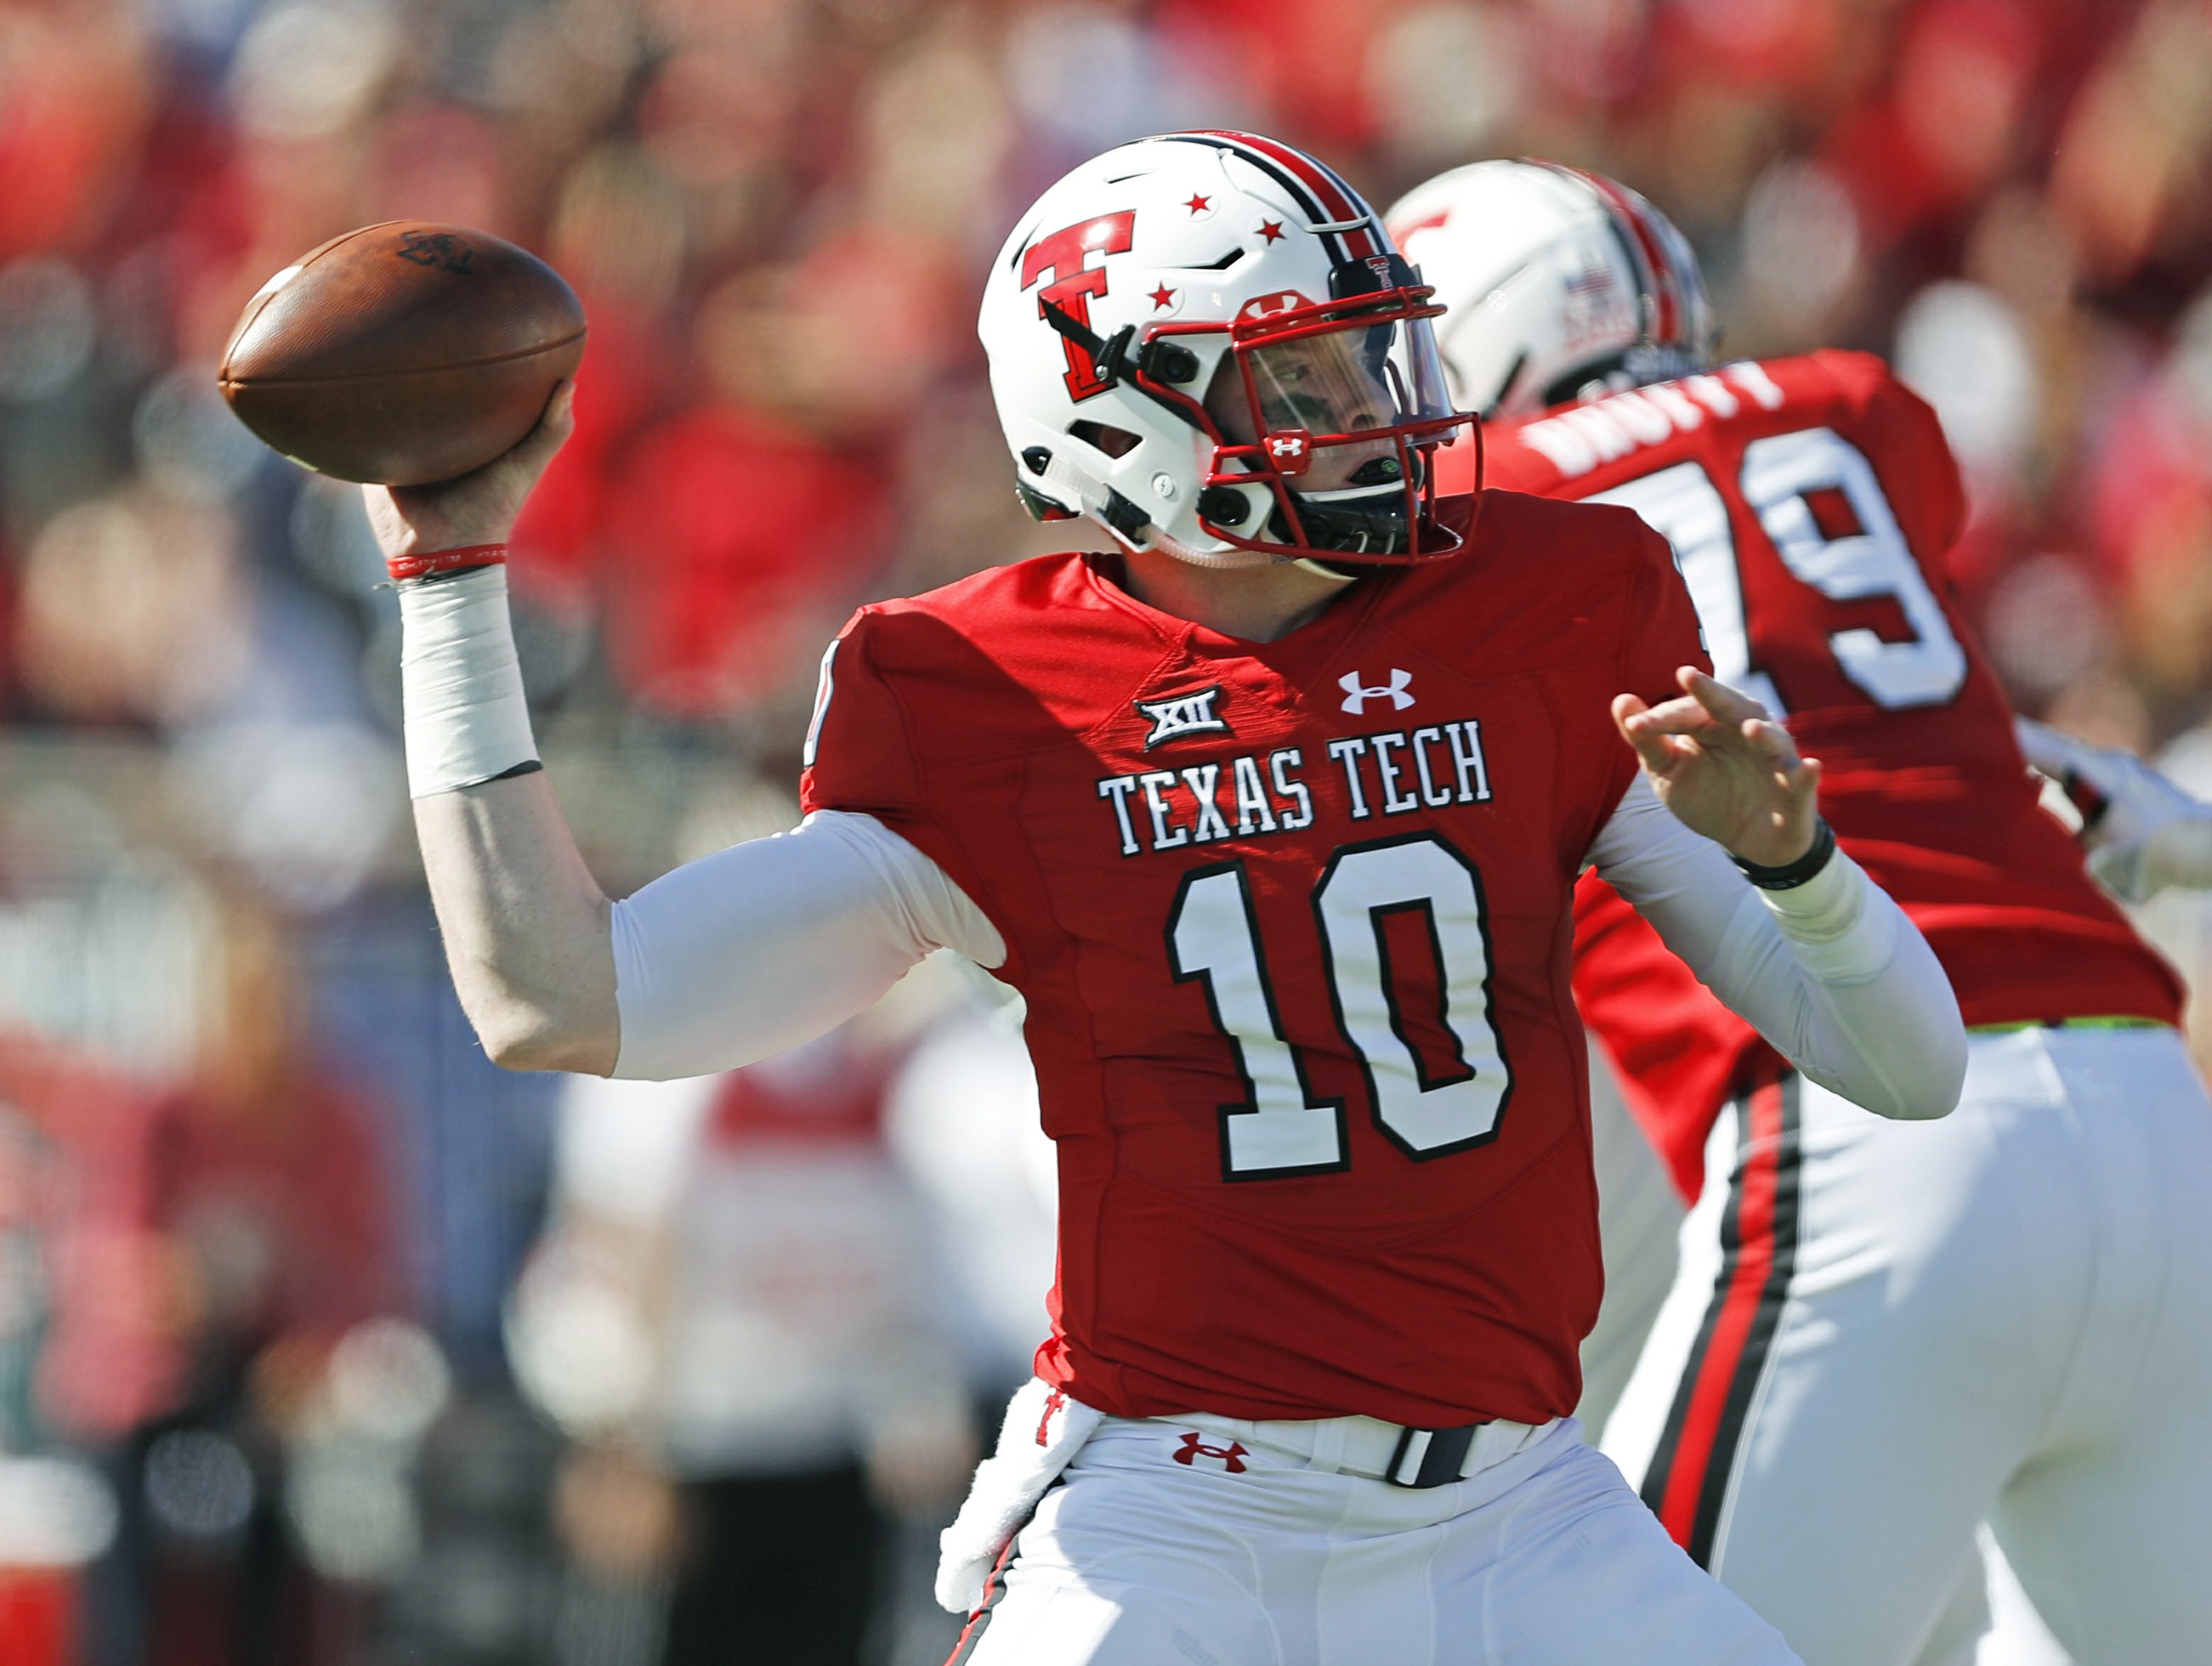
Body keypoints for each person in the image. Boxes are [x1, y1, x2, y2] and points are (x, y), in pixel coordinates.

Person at [368, 131, 1965, 1665]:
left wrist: (1797, 864)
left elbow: (1910, 1064)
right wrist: (454, 582)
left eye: (1373, 357)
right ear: (1125, 412)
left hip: (1522, 1504)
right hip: (1181, 1524)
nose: (1380, 411)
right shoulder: (991, 693)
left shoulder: (1551, 603)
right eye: (1311, 374)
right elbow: (557, 996)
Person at [1391, 156, 2212, 1666]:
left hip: (1862, 1137)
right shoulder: (1847, 406)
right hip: (2154, 1112)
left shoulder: (1462, 523)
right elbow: (1851, 679)